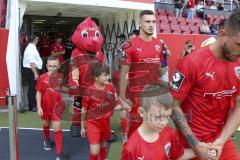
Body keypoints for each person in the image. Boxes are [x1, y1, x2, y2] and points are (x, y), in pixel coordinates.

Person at [170, 10, 240, 160]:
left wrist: (221, 141)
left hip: (219, 140)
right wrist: (195, 145)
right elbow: (172, 105)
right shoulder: (191, 63)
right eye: (239, 44)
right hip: (190, 142)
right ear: (222, 35)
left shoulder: (238, 62)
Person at [121, 85, 209, 160]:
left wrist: (201, 150)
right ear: (142, 112)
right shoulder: (131, 148)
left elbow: (178, 155)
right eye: (158, 117)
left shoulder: (169, 133)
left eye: (167, 116)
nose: (164, 122)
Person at [119, 10, 164, 138]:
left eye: (154, 22)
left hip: (154, 95)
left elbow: (158, 69)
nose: (151, 25)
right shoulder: (130, 45)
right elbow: (123, 73)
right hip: (136, 96)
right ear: (140, 23)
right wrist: (122, 97)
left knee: (153, 129)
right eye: (147, 21)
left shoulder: (159, 44)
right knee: (136, 130)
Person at [80, 62, 121, 160]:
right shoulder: (89, 91)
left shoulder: (110, 88)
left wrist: (122, 106)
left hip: (105, 123)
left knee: (103, 146)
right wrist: (82, 126)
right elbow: (84, 109)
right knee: (95, 151)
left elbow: (116, 103)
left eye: (108, 74)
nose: (108, 77)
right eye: (105, 75)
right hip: (92, 123)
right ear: (96, 77)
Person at [36, 56, 66, 160]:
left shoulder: (61, 76)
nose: (52, 68)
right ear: (46, 66)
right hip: (45, 107)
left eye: (55, 66)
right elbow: (38, 93)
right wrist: (39, 107)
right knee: (46, 124)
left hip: (57, 108)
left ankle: (59, 153)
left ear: (58, 66)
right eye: (50, 66)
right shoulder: (42, 77)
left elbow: (61, 89)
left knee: (57, 128)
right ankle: (47, 139)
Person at [23, 35, 42, 112]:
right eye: (37, 40)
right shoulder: (31, 48)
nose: (38, 41)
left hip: (30, 69)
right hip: (31, 70)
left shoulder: (30, 47)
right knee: (33, 88)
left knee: (33, 87)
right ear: (35, 40)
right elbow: (32, 62)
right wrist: (35, 73)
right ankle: (32, 106)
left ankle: (33, 105)